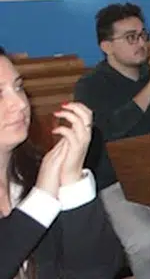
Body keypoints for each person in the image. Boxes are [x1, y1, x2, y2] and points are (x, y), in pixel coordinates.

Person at [75, 3, 150, 279]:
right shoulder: (91, 85)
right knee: (146, 242)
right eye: (130, 37)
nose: (141, 43)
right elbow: (111, 131)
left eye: (142, 35)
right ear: (106, 46)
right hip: (117, 184)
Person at [1, 49, 123, 279]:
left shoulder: (34, 172)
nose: (19, 103)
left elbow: (98, 271)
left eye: (18, 87)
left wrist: (72, 182)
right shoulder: (43, 184)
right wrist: (43, 197)